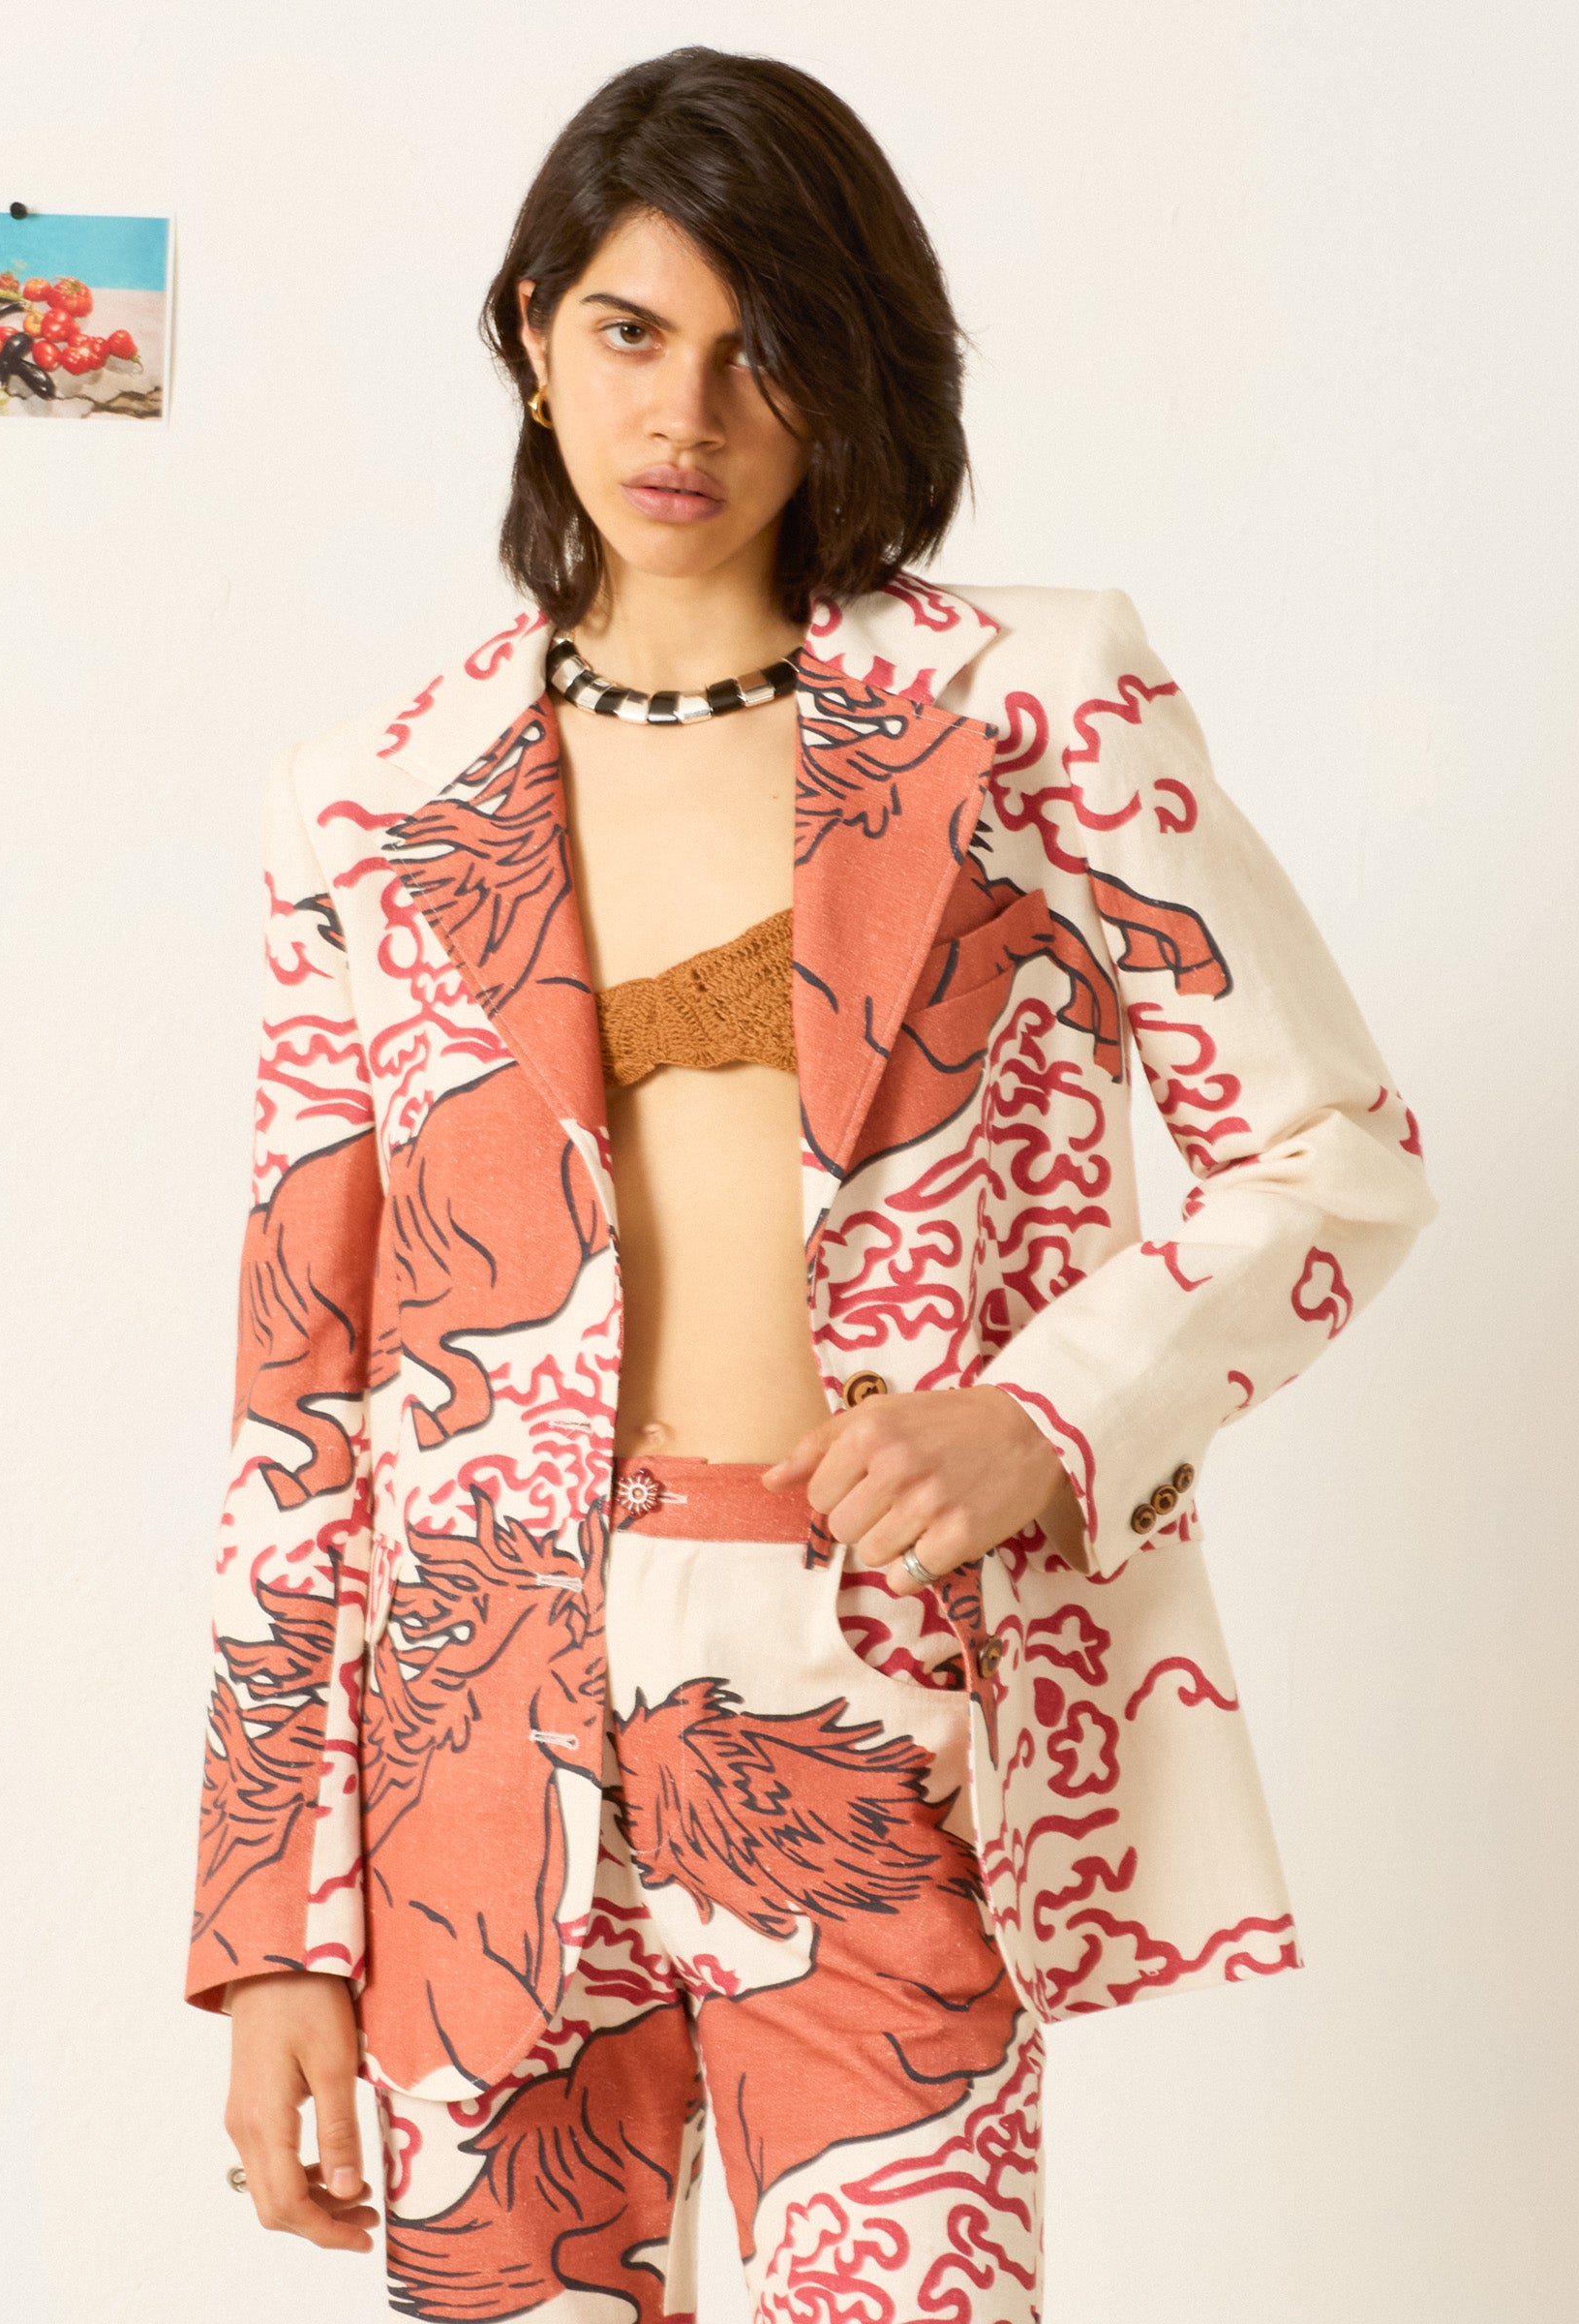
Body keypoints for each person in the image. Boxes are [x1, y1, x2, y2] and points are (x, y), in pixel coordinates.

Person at [185, 45, 1440, 2323]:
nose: (690, 413)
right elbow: (304, 1397)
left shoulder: (1021, 705)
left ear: (857, 371)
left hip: (862, 1693)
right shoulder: (369, 798)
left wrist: (1048, 1416)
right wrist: (274, 1927)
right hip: (473, 1764)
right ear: (533, 335)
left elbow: (1334, 1152)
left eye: (768, 347)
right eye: (631, 333)